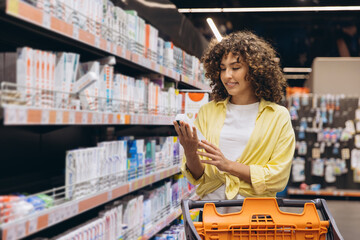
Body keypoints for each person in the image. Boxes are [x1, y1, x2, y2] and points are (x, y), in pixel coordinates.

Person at [173, 31, 295, 213]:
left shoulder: (277, 116)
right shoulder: (208, 112)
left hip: (256, 217)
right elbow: (199, 177)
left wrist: (228, 166)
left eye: (235, 67)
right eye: (222, 68)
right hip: (212, 214)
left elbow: (278, 177)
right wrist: (190, 152)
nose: (227, 75)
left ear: (255, 70)